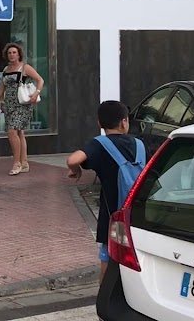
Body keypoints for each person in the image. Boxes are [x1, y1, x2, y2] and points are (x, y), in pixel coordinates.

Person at [66, 100, 142, 283]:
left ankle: (106, 298)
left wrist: (76, 170)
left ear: (100, 124)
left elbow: (73, 159)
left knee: (109, 257)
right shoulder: (140, 145)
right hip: (139, 216)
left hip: (115, 220)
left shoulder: (100, 145)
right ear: (124, 122)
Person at [0, 42, 44, 175]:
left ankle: (17, 163)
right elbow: (1, 88)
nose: (12, 55)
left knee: (11, 131)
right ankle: (24, 162)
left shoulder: (25, 67)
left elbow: (40, 79)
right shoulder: (6, 70)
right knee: (19, 132)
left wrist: (37, 93)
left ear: (19, 54)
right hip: (9, 104)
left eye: (14, 52)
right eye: (9, 53)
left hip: (22, 104)